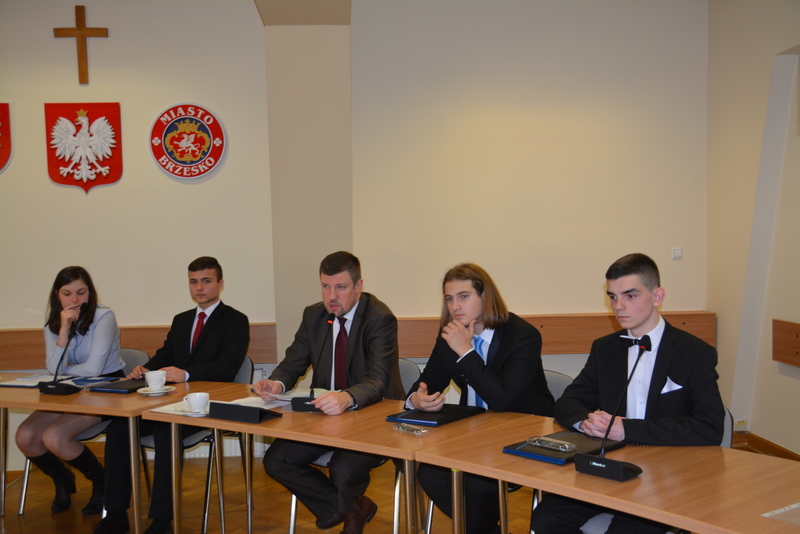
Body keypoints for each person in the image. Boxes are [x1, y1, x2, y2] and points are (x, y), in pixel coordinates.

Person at [530, 253, 725, 534]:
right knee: (546, 519)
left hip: (668, 474)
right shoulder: (605, 348)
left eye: (630, 295)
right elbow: (568, 402)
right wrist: (586, 422)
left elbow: (710, 428)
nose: (618, 306)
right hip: (609, 467)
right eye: (612, 297)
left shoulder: (695, 353)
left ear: (657, 296)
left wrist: (627, 430)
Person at [92, 256, 249, 534]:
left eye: (206, 281)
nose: (199, 287)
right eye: (193, 281)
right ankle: (115, 514)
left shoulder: (235, 320)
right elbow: (166, 354)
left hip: (205, 406)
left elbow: (228, 366)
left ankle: (162, 520)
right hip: (170, 403)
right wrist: (146, 368)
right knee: (118, 429)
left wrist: (186, 374)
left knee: (167, 431)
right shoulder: (182, 320)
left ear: (220, 283)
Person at [254, 251, 403, 534]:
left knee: (343, 470)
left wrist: (347, 397)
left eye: (341, 287)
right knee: (276, 460)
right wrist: (276, 383)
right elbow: (293, 363)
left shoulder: (380, 318)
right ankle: (353, 508)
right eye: (325, 286)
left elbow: (378, 380)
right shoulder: (314, 316)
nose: (331, 296)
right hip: (326, 417)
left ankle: (346, 511)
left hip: (373, 416)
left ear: (359, 286)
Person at [406, 262, 554, 534]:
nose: (455, 306)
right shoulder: (450, 335)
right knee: (428, 472)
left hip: (523, 434)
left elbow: (501, 399)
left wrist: (466, 352)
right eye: (449, 299)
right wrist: (417, 398)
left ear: (485, 297)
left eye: (463, 296)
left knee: (477, 481)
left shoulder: (523, 336)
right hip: (474, 435)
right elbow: (428, 380)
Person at [16, 266, 125, 515]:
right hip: (69, 389)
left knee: (54, 437)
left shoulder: (104, 317)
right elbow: (53, 368)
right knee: (25, 436)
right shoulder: (54, 320)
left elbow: (95, 368)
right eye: (67, 293)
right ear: (58, 295)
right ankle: (62, 478)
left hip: (105, 389)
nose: (74, 300)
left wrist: (65, 369)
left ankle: (102, 481)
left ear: (90, 293)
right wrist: (63, 330)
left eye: (81, 292)